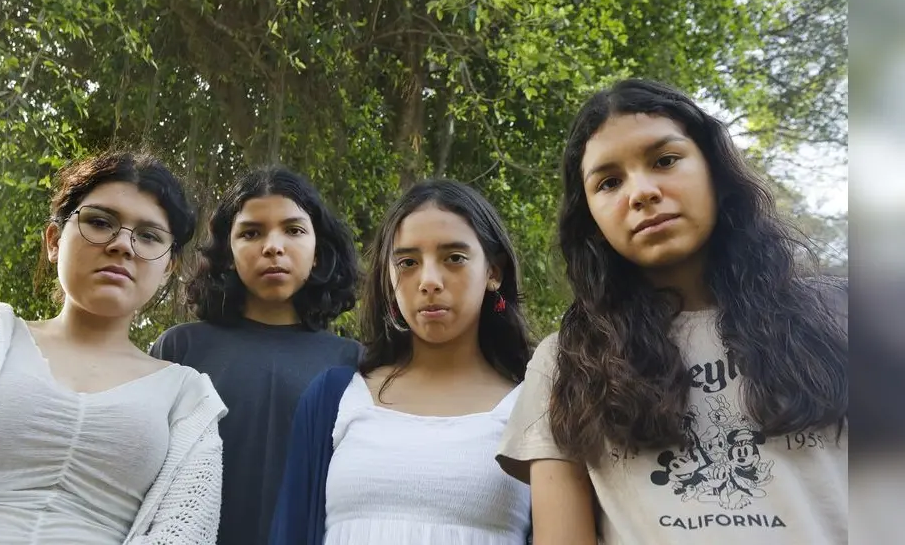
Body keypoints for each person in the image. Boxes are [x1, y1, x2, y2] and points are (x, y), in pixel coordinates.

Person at [497, 78, 849, 544]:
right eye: (609, 182)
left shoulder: (844, 317)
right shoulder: (566, 362)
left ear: (715, 172)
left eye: (665, 160)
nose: (640, 192)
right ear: (593, 220)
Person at [0, 147, 228, 545]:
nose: (122, 245)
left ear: (168, 266)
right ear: (54, 240)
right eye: (100, 222)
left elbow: (184, 533)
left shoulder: (188, 399)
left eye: (149, 236)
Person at [271, 179, 533, 545]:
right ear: (388, 277)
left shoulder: (534, 408)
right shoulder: (334, 399)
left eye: (454, 258)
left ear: (494, 272)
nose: (428, 281)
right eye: (408, 262)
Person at [151, 166, 361, 545]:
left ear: (317, 253)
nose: (273, 246)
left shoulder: (355, 364)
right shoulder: (180, 349)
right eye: (251, 232)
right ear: (229, 253)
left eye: (294, 230)